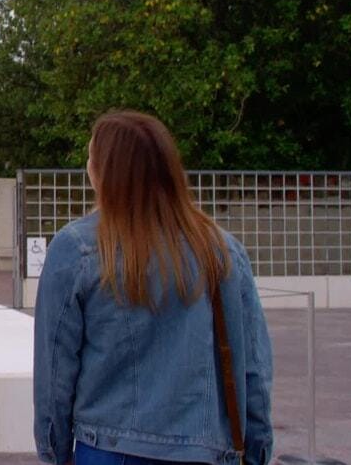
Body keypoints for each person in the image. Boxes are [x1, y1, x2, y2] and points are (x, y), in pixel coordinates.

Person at [33, 110, 273, 465]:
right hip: (207, 451)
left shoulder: (77, 249)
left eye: (91, 157)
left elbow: (54, 370)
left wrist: (54, 451)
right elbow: (252, 366)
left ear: (106, 170)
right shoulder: (222, 250)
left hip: (108, 449)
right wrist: (257, 448)